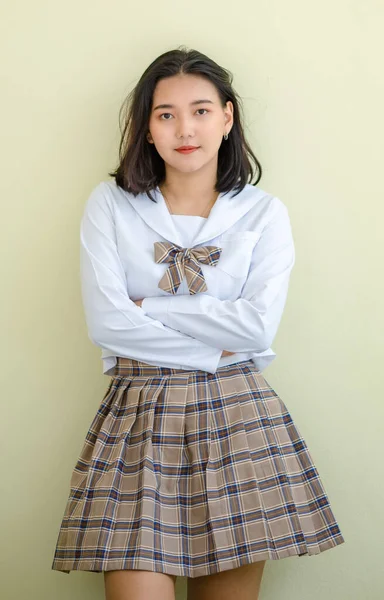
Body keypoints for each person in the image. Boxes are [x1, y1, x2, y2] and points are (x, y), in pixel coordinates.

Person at [51, 46, 345, 600]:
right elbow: (108, 324)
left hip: (239, 421)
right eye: (166, 114)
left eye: (201, 110)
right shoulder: (111, 204)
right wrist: (214, 349)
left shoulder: (263, 213)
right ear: (147, 129)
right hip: (139, 418)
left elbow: (256, 330)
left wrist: (154, 308)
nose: (185, 128)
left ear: (227, 118)